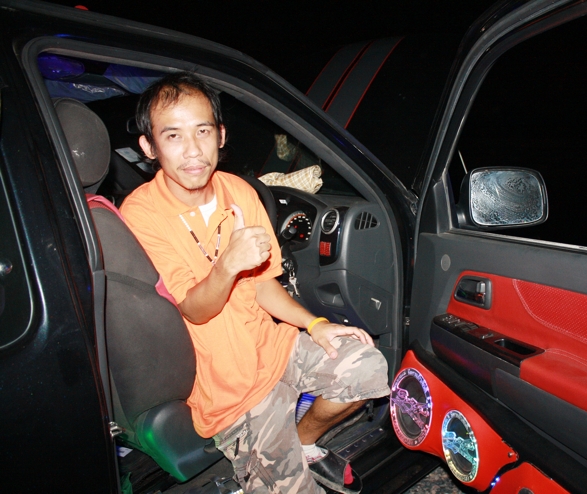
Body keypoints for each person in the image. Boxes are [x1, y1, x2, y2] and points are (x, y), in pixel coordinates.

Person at [120, 72, 390, 494]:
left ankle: (303, 441)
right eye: (173, 136)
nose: (193, 150)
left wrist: (316, 324)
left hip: (271, 348)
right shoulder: (141, 214)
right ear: (149, 147)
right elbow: (194, 309)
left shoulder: (239, 191)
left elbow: (264, 284)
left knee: (366, 367)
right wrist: (227, 265)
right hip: (228, 388)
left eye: (202, 131)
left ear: (221, 135)